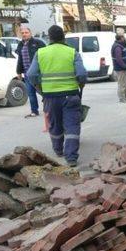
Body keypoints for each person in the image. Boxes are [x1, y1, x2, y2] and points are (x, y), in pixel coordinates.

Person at [26, 25, 87, 166]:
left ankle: (59, 150)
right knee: (72, 126)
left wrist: (40, 89)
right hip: (71, 95)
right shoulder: (72, 52)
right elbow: (82, 74)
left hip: (50, 96)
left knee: (55, 125)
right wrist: (81, 85)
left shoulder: (41, 53)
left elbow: (31, 74)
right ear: (63, 37)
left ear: (49, 38)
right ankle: (71, 157)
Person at [15, 24, 45, 118]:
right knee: (31, 93)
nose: (24, 34)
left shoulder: (38, 43)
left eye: (26, 32)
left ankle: (49, 108)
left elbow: (45, 56)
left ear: (30, 33)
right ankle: (34, 111)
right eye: (22, 33)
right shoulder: (20, 44)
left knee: (44, 92)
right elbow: (20, 59)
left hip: (38, 73)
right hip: (27, 74)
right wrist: (19, 72)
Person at [111, 34, 126, 103]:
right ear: (121, 38)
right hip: (120, 69)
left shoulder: (119, 45)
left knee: (125, 83)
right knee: (122, 83)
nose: (125, 38)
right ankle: (122, 98)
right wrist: (125, 66)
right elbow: (119, 59)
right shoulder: (117, 47)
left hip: (122, 68)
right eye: (124, 37)